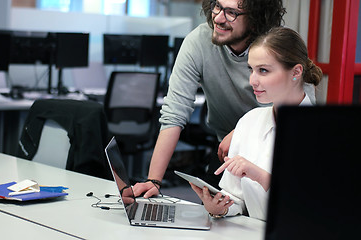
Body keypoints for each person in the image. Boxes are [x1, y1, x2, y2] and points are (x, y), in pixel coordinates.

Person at [133, 0, 315, 198]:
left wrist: (241, 131)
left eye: (232, 13)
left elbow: (300, 112)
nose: (218, 18)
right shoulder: (199, 41)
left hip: (273, 156)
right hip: (226, 153)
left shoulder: (275, 45)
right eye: (217, 6)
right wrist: (154, 181)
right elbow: (174, 113)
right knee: (215, 215)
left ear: (255, 19)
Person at [190, 27, 322, 220]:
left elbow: (314, 207)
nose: (252, 80)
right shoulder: (249, 121)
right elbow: (235, 198)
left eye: (263, 71)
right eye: (250, 69)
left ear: (296, 72)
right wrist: (220, 207)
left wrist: (260, 175)